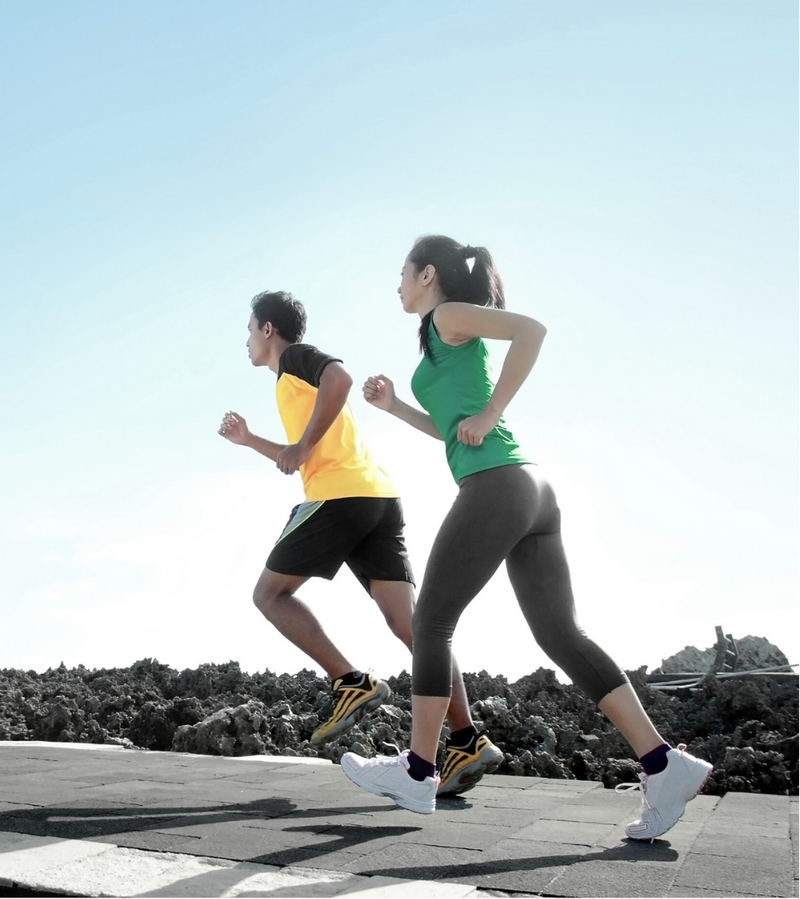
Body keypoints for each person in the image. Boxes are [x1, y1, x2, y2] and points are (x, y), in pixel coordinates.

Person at [340, 236, 713, 836]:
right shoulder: (441, 336)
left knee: (430, 621)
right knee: (561, 634)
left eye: (402, 273)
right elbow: (453, 431)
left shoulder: (446, 314)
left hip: (498, 486)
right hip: (527, 488)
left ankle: (416, 770)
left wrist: (490, 414)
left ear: (428, 274)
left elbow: (532, 330)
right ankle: (663, 762)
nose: (398, 284)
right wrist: (396, 409)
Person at [218, 289, 502, 794]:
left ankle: (350, 683)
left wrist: (302, 445)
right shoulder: (291, 385)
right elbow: (296, 457)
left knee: (268, 595)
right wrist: (251, 442)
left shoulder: (294, 360)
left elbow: (340, 379)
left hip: (339, 498)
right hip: (376, 498)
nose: (246, 341)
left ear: (268, 330)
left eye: (249, 330)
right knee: (413, 628)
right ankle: (466, 739)